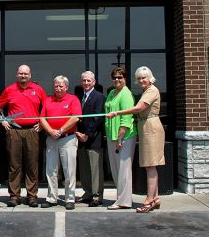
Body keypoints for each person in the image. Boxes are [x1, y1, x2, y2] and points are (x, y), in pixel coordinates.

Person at [107, 66, 165, 213]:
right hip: (144, 127)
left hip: (151, 127)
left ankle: (149, 200)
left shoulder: (152, 90)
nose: (141, 80)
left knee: (150, 165)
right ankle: (156, 198)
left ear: (150, 77)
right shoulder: (146, 91)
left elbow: (138, 108)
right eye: (139, 78)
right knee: (149, 164)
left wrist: (117, 113)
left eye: (144, 77)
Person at [0, 64, 47, 207]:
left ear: (30, 75)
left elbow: (46, 107)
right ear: (17, 75)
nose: (23, 76)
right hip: (14, 131)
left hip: (33, 131)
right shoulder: (9, 90)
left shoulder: (38, 89)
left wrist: (42, 122)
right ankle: (14, 196)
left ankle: (32, 196)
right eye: (20, 74)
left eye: (25, 74)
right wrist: (2, 119)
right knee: (14, 165)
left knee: (32, 165)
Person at [40, 76, 81, 210]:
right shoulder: (48, 100)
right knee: (51, 170)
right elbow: (42, 118)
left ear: (66, 87)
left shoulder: (73, 99)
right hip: (52, 139)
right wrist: (51, 131)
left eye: (61, 86)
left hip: (67, 138)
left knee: (69, 170)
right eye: (56, 86)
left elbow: (75, 118)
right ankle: (51, 198)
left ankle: (70, 198)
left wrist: (61, 130)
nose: (58, 88)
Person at [104, 67, 138, 210]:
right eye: (114, 77)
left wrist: (119, 138)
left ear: (125, 78)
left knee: (124, 170)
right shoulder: (112, 92)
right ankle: (120, 198)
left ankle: (124, 201)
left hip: (124, 137)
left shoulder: (126, 94)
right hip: (112, 135)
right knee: (116, 169)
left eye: (120, 77)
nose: (117, 80)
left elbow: (126, 118)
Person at [75, 71, 105, 207]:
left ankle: (97, 196)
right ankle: (87, 193)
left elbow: (97, 118)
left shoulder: (99, 97)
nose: (86, 83)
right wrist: (77, 133)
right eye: (84, 81)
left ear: (94, 82)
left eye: (89, 81)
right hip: (80, 139)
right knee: (84, 169)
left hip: (93, 139)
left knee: (95, 169)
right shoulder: (79, 96)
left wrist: (87, 134)